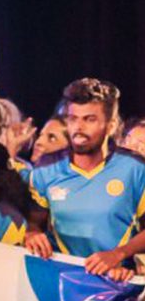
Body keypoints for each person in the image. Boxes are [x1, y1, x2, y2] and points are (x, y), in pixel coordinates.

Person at [25, 79, 145, 281]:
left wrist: (118, 254)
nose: (78, 128)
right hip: (59, 280)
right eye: (73, 119)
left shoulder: (135, 168)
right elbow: (34, 223)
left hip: (117, 282)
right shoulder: (45, 169)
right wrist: (32, 234)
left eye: (89, 119)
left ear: (111, 125)